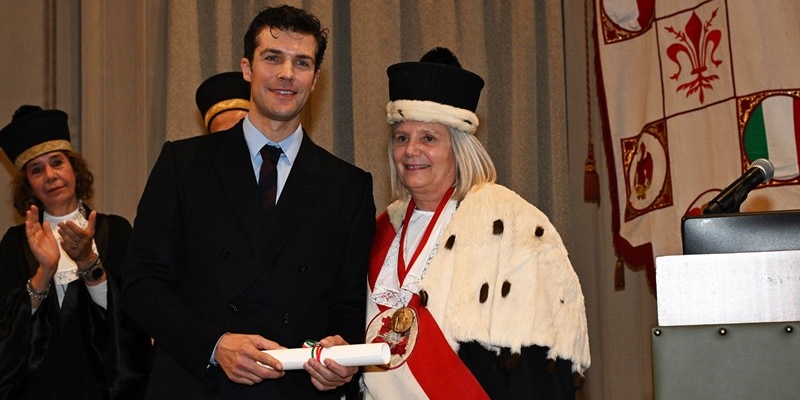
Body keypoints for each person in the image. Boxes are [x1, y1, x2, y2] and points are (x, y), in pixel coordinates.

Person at [121, 5, 375, 400]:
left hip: (295, 391)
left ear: (315, 79)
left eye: (301, 62)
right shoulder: (182, 164)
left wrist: (342, 360)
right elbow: (140, 282)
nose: (287, 73)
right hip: (197, 386)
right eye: (273, 58)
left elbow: (349, 305)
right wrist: (214, 344)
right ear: (247, 68)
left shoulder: (348, 186)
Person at [361, 48, 591, 399]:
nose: (410, 150)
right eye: (402, 137)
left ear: (459, 148)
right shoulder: (381, 229)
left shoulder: (514, 224)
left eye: (428, 138)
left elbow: (535, 369)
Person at [0, 105, 152, 399]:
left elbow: (132, 317)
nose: (50, 176)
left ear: (74, 168)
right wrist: (44, 271)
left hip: (101, 387)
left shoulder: (114, 231)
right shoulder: (14, 243)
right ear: (28, 185)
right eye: (36, 169)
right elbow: (7, 332)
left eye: (57, 162)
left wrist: (88, 263)